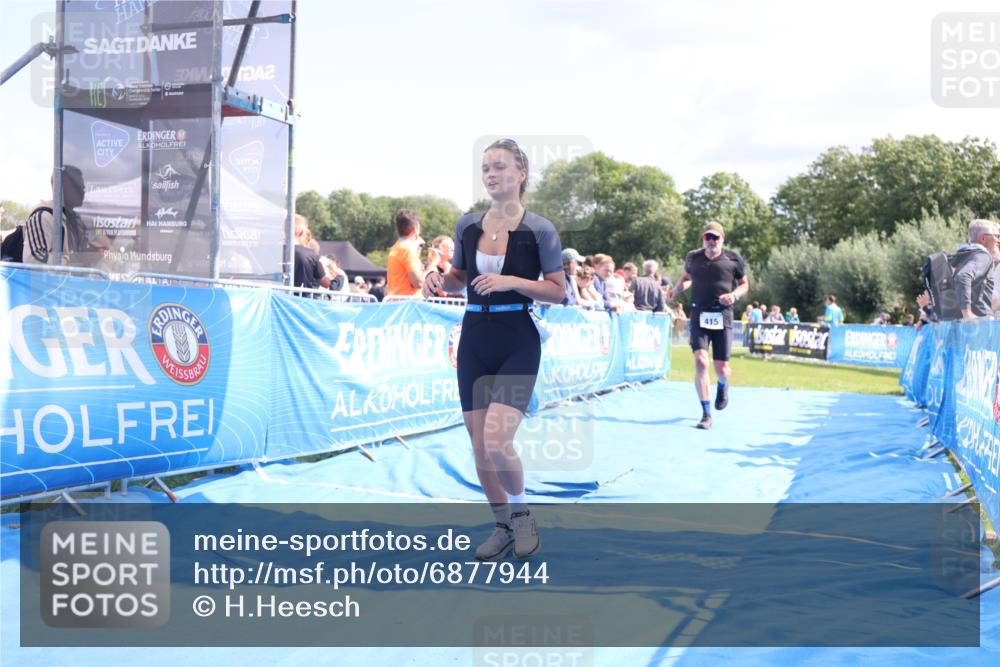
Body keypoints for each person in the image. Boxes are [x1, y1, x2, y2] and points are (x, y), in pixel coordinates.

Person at [423, 138, 564, 560]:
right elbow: (458, 278)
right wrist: (437, 278)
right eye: (486, 168)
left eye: (500, 167)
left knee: (498, 440)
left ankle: (522, 517)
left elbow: (558, 292)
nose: (491, 174)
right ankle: (501, 524)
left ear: (521, 174)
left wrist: (511, 282)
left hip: (518, 339)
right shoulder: (468, 225)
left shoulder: (540, 229)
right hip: (475, 340)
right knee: (479, 444)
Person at [668, 221, 748, 430]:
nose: (711, 241)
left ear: (723, 239)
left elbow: (745, 284)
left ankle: (723, 386)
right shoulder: (693, 257)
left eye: (715, 238)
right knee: (701, 361)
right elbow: (687, 278)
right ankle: (706, 414)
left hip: (723, 315)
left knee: (722, 368)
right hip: (699, 314)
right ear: (703, 238)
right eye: (707, 237)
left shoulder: (733, 258)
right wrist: (676, 290)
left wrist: (734, 295)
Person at [22, 165, 100, 265]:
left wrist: (92, 253)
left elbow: (76, 256)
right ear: (61, 186)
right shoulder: (43, 217)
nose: (82, 191)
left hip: (70, 280)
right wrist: (69, 262)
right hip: (51, 281)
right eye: (77, 186)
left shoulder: (76, 220)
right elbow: (33, 259)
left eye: (82, 187)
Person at [954, 218, 998, 320]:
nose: (997, 240)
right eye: (995, 236)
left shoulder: (964, 256)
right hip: (980, 323)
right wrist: (967, 313)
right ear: (983, 238)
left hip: (962, 325)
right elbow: (963, 276)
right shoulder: (983, 256)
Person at [387, 208, 425, 296]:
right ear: (416, 228)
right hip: (409, 305)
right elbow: (419, 283)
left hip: (397, 302)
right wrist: (433, 264)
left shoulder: (396, 247)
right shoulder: (407, 249)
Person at [292, 214, 331, 290]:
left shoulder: (271, 251)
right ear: (301, 232)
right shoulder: (310, 254)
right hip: (299, 300)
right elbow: (326, 283)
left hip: (272, 299)